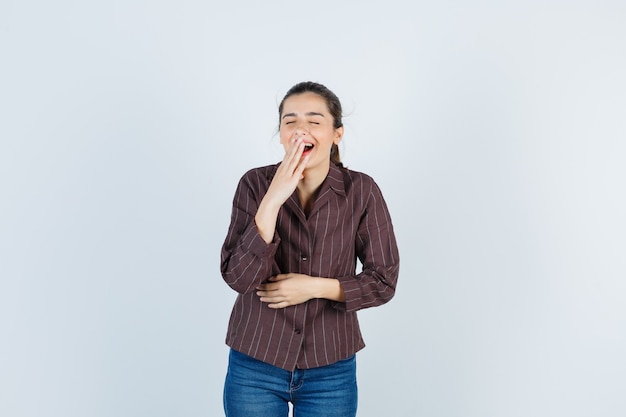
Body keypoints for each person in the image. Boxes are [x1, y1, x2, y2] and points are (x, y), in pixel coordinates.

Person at [220, 81, 400, 417]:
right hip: (255, 361)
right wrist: (273, 199)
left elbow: (384, 280)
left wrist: (315, 288)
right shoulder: (254, 184)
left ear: (337, 134)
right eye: (290, 121)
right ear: (281, 133)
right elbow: (238, 277)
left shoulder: (362, 191)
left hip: (330, 366)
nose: (301, 129)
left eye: (314, 121)